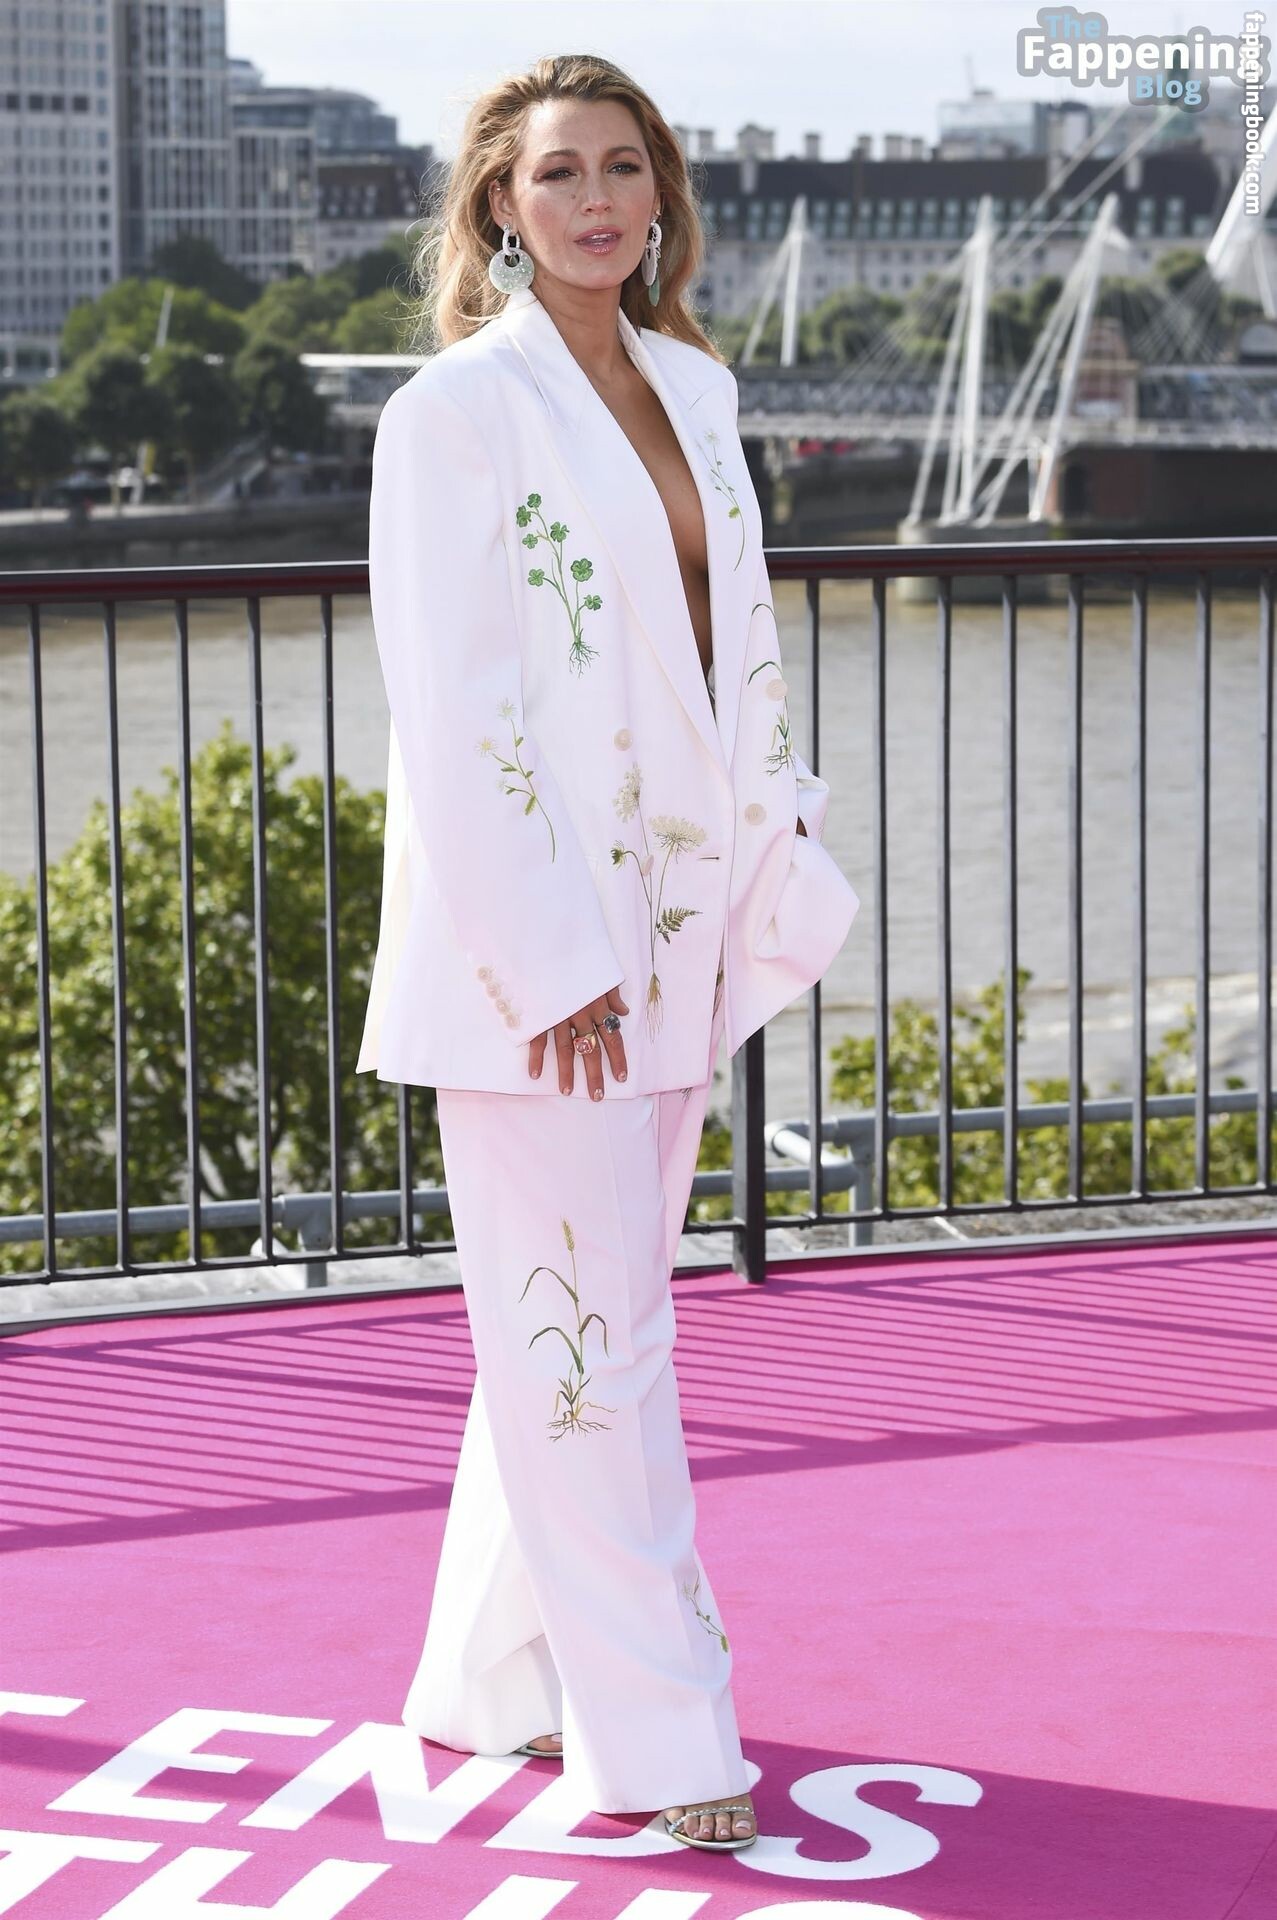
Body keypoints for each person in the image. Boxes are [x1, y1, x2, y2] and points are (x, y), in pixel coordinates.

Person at [356, 52, 859, 1853]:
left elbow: (742, 656)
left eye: (622, 167)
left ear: (661, 197)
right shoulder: (454, 415)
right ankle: (659, 1738)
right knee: (592, 1349)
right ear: (498, 203)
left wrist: (770, 853)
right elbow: (456, 710)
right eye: (558, 171)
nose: (594, 201)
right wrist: (549, 955)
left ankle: (481, 1683)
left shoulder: (694, 388)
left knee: (582, 1324)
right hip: (543, 978)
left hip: (677, 941)